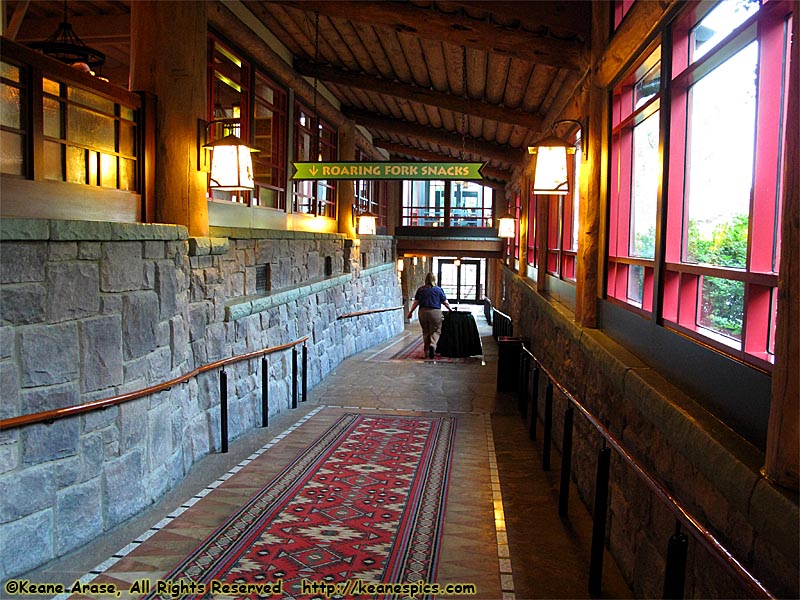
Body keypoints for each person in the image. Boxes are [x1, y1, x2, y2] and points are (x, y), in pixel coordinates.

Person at [407, 272, 453, 359]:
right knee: (436, 331)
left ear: (426, 280)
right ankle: (433, 345)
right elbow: (445, 302)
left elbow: (416, 303)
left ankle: (426, 352)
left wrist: (410, 312)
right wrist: (450, 310)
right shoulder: (438, 290)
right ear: (434, 280)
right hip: (435, 312)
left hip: (422, 312)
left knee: (426, 331)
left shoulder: (420, 290)